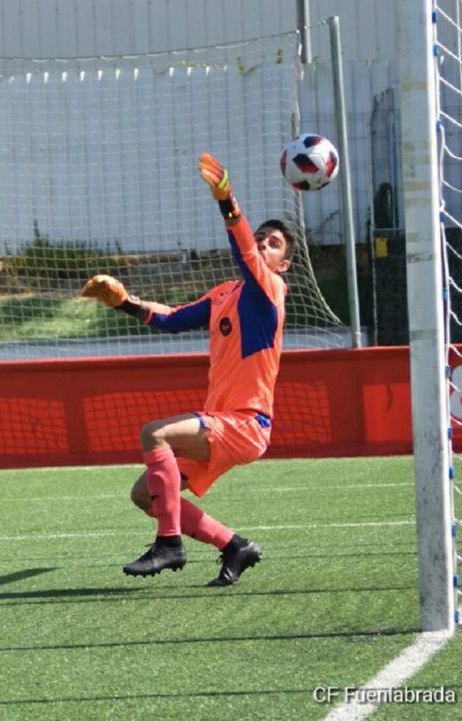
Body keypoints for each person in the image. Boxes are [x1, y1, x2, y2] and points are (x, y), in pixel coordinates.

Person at [81, 153, 295, 586]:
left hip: (246, 423)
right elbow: (172, 318)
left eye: (274, 243)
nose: (263, 244)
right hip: (223, 422)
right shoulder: (225, 293)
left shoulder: (271, 289)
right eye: (262, 237)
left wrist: (227, 200)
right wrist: (125, 303)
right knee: (146, 494)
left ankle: (170, 545)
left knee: (153, 433)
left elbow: (245, 253)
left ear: (283, 263)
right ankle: (234, 545)